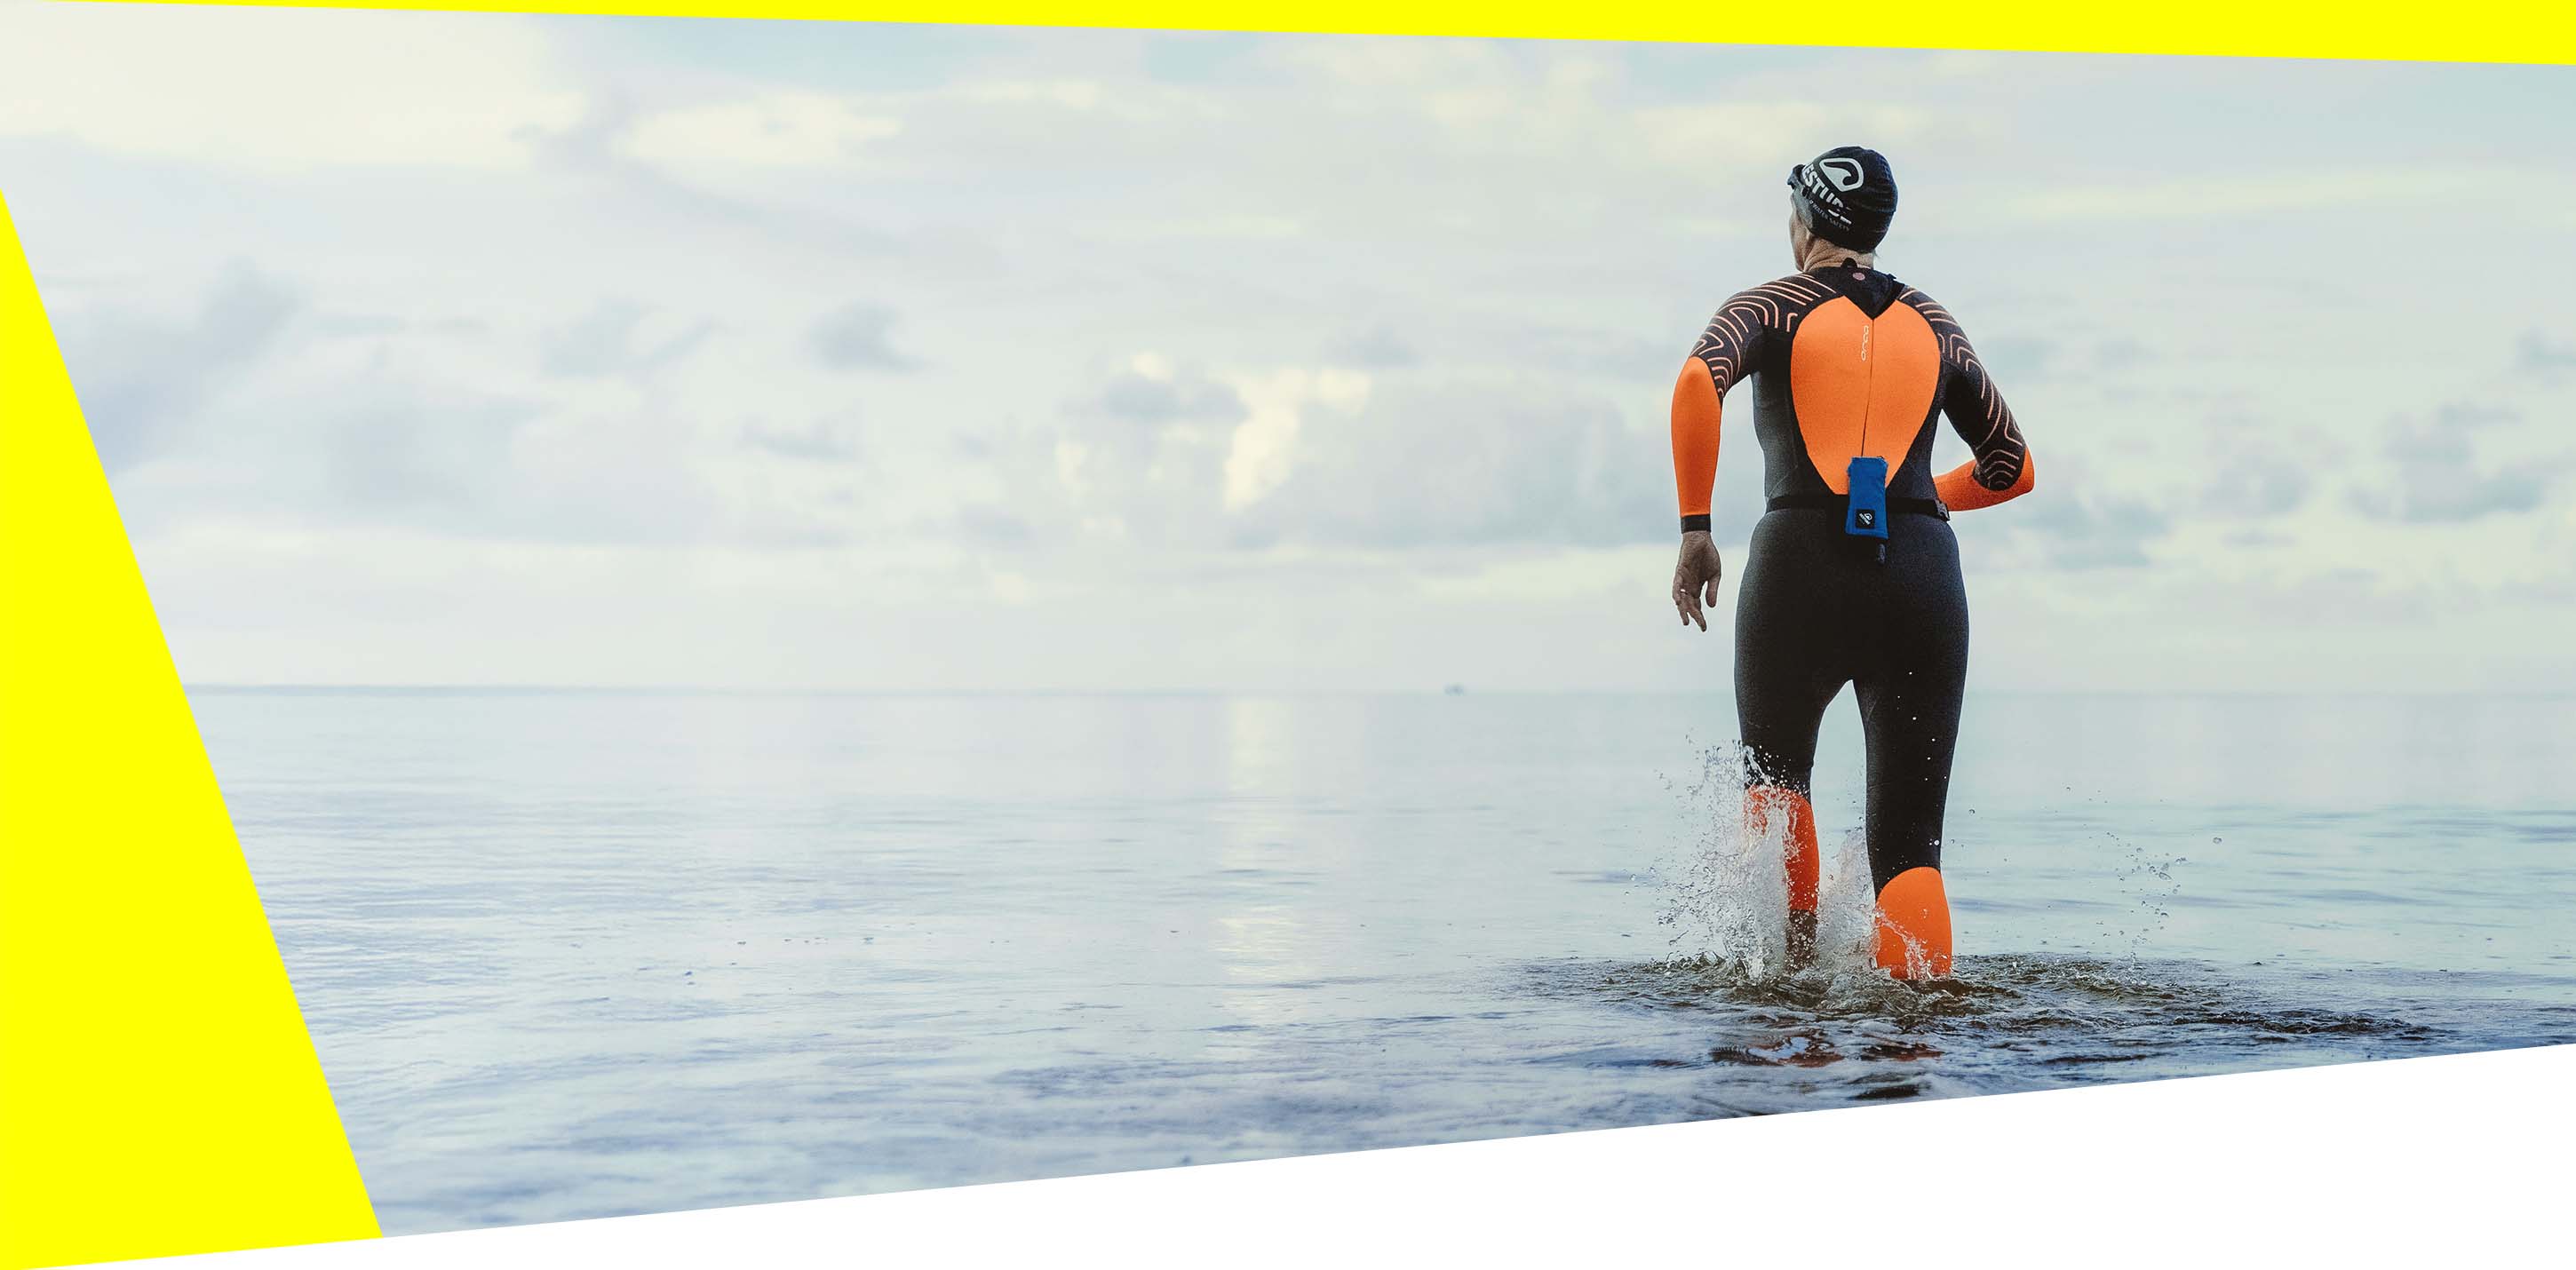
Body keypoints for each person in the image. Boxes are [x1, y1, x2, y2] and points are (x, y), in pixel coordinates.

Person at [1666, 146, 2034, 981]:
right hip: (1920, 573)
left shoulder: (1771, 305)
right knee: (1911, 847)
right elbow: (2012, 465)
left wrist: (1696, 528)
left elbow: (1698, 381)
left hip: (1798, 561)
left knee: (1778, 786)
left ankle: (1789, 1000)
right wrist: (1915, 496)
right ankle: (1919, 1036)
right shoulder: (1936, 324)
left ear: (1805, 223)